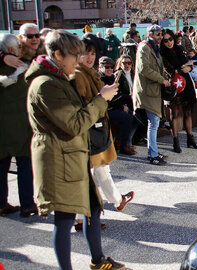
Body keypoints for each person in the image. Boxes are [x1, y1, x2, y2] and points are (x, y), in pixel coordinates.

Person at [26, 29, 125, 270]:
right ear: (58, 54)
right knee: (64, 219)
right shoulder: (46, 84)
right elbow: (74, 124)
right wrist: (102, 99)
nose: (79, 60)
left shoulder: (58, 78)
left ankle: (97, 259)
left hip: (74, 157)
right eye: (75, 55)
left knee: (91, 207)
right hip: (59, 160)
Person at [73, 37, 135, 231]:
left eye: (92, 53)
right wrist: (103, 97)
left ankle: (114, 201)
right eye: (86, 53)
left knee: (100, 168)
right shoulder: (78, 75)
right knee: (89, 174)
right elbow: (82, 108)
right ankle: (84, 218)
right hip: (87, 131)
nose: (90, 57)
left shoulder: (88, 73)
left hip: (95, 129)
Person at [0, 33, 37, 217]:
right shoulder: (23, 67)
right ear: (13, 49)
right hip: (21, 124)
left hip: (2, 126)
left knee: (1, 165)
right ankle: (27, 204)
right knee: (24, 164)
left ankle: (1, 202)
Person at [132, 24, 170, 165]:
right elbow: (144, 69)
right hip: (148, 91)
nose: (160, 37)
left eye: (160, 34)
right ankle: (152, 155)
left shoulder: (154, 48)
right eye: (157, 34)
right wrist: (162, 80)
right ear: (150, 34)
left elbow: (157, 67)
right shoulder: (144, 47)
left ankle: (153, 151)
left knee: (154, 123)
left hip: (154, 91)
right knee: (153, 123)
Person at [160, 29, 197, 153]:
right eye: (165, 40)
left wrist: (188, 67)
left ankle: (190, 139)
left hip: (186, 82)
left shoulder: (178, 49)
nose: (169, 42)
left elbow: (187, 63)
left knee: (188, 111)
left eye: (170, 39)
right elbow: (168, 69)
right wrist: (183, 68)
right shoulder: (162, 53)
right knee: (175, 114)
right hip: (173, 83)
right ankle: (175, 141)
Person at [99, 56, 138, 155]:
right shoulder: (100, 79)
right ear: (100, 67)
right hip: (105, 110)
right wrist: (121, 107)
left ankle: (125, 142)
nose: (109, 69)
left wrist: (124, 105)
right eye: (106, 67)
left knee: (136, 117)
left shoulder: (113, 78)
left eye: (111, 67)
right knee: (127, 118)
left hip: (116, 106)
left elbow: (119, 95)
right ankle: (124, 145)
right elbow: (108, 100)